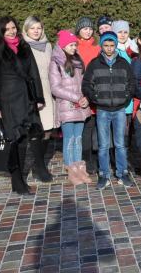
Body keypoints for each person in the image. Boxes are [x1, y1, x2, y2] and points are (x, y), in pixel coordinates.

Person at [0, 16, 45, 195]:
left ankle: (20, 177)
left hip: (27, 98)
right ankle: (16, 179)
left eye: (13, 28)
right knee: (13, 140)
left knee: (23, 139)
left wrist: (39, 97)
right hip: (9, 100)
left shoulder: (24, 46)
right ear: (0, 31)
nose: (11, 31)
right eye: (7, 29)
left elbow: (34, 73)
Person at [82, 31, 137, 190]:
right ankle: (104, 174)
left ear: (115, 45)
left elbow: (132, 82)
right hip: (102, 109)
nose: (109, 48)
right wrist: (96, 97)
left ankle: (122, 173)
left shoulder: (123, 63)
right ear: (102, 46)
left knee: (120, 144)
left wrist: (125, 95)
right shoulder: (94, 63)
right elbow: (86, 84)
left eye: (112, 45)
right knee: (103, 145)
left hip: (119, 109)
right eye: (106, 45)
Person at [49, 31, 92, 185]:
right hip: (66, 107)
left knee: (78, 138)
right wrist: (76, 97)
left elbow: (84, 83)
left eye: (75, 45)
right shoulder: (56, 63)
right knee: (69, 139)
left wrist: (86, 97)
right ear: (63, 46)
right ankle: (72, 171)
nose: (74, 47)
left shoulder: (78, 61)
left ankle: (80, 169)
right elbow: (55, 88)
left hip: (81, 106)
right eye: (71, 45)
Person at [22, 16, 55, 183]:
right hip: (33, 90)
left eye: (39, 28)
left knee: (48, 129)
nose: (36, 31)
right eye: (32, 28)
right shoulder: (23, 46)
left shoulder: (47, 45)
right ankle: (40, 167)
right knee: (36, 130)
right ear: (26, 29)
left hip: (49, 88)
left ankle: (38, 164)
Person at [75, 17, 101, 174]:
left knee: (97, 128)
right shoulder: (75, 48)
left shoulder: (97, 48)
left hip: (97, 93)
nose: (88, 31)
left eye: (90, 29)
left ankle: (97, 158)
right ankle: (86, 159)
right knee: (86, 129)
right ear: (78, 30)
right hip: (83, 94)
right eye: (85, 28)